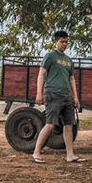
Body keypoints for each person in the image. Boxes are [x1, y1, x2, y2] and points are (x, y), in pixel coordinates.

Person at [32, 30, 83, 164]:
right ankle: (36, 152)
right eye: (62, 42)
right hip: (52, 94)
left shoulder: (68, 60)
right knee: (50, 124)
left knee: (69, 125)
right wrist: (39, 92)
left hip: (66, 95)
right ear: (56, 42)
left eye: (66, 42)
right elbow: (41, 73)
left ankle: (70, 155)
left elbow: (71, 78)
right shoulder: (50, 56)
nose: (65, 44)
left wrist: (76, 97)